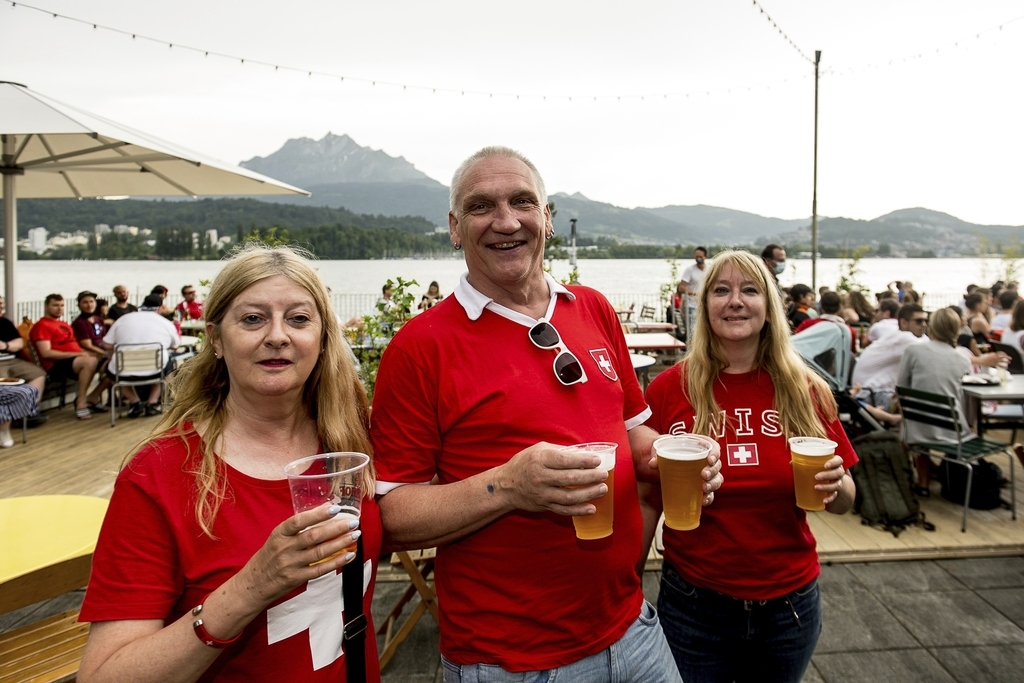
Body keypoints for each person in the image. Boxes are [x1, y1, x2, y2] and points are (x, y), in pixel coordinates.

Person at [370, 146, 722, 682]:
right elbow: (391, 517)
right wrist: (509, 486)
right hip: (511, 661)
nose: (506, 221)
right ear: (454, 227)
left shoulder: (594, 308)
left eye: (522, 202)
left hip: (633, 629)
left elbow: (632, 436)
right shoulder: (419, 347)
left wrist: (677, 458)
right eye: (482, 205)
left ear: (548, 217)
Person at [78, 244, 382, 683]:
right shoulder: (159, 474)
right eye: (253, 319)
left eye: (298, 319)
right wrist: (252, 586)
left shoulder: (352, 436)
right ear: (216, 338)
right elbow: (104, 676)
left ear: (322, 337)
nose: (277, 336)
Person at [645, 249, 857, 683]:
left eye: (749, 290)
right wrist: (628, 579)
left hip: (789, 608)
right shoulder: (670, 388)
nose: (735, 301)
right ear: (705, 307)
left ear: (769, 305)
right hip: (693, 603)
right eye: (720, 290)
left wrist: (838, 485)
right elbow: (646, 493)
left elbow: (845, 501)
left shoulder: (806, 389)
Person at [896, 307, 973, 495]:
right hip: (952, 430)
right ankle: (938, 472)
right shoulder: (962, 359)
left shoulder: (914, 350)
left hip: (917, 428)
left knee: (918, 419)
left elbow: (900, 387)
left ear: (932, 327)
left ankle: (923, 483)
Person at [102, 294, 181, 417]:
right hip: (155, 368)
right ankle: (152, 402)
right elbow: (175, 345)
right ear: (160, 308)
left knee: (110, 371)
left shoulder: (123, 319)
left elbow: (106, 344)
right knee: (167, 367)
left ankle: (135, 402)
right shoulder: (165, 322)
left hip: (124, 369)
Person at [29, 294, 107, 420]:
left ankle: (94, 396)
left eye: (62, 305)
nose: (59, 309)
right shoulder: (42, 326)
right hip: (56, 364)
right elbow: (46, 353)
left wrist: (87, 352)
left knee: (113, 365)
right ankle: (81, 402)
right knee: (89, 362)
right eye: (55, 305)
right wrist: (80, 354)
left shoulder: (63, 324)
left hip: (75, 359)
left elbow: (73, 346)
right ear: (46, 306)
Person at [851, 304, 929, 409]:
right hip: (870, 394)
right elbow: (932, 355)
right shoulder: (904, 338)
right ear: (904, 323)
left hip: (866, 392)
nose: (924, 324)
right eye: (919, 321)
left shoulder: (897, 335)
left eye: (926, 321)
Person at [0, 294, 47, 427]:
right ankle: (9, 419)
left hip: (11, 359)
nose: (1, 306)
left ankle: (28, 411)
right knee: (4, 381)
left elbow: (19, 342)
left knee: (38, 374)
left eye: (1, 303)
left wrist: (6, 346)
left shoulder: (5, 323)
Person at [679, 246, 709, 340]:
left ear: (705, 256)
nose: (698, 259)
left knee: (706, 330)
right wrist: (695, 293)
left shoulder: (710, 269)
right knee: (693, 331)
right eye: (696, 256)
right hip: (692, 305)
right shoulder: (690, 270)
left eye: (700, 256)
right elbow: (681, 287)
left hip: (706, 304)